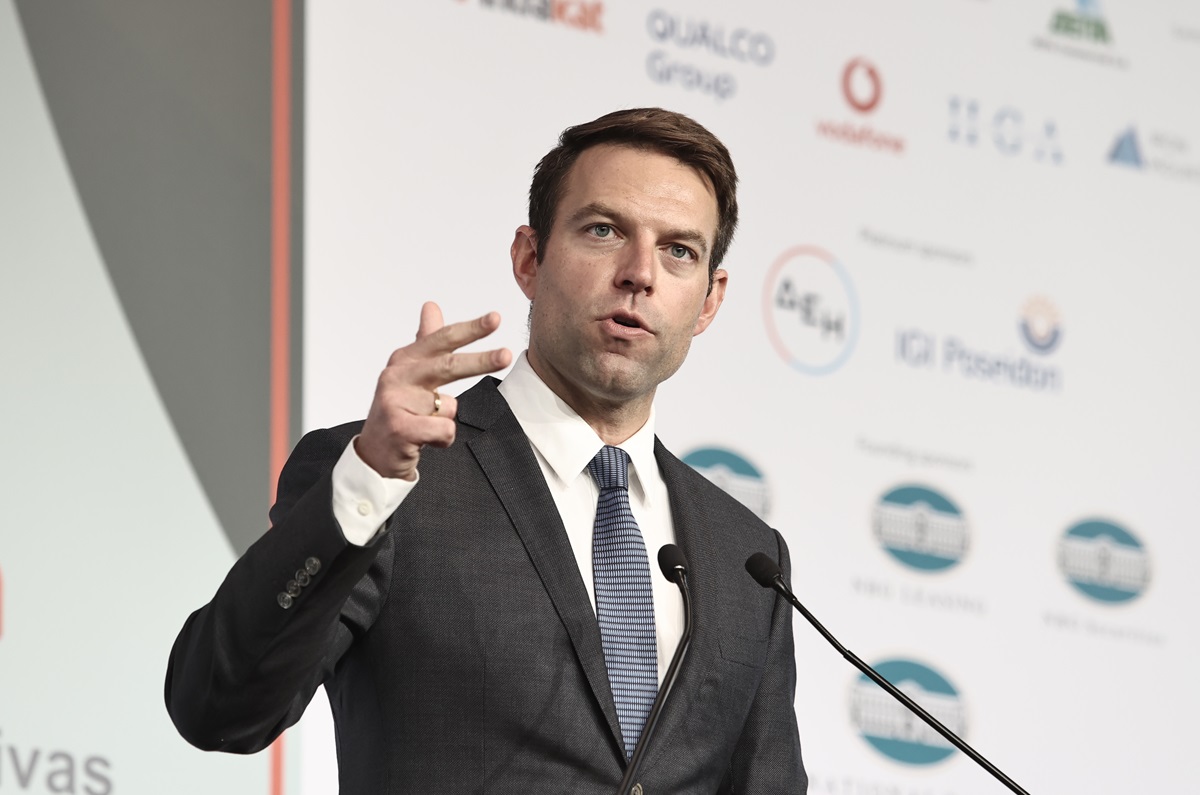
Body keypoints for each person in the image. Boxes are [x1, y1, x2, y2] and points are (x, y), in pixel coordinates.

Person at [166, 107, 807, 793]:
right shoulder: (395, 476)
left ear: (709, 301)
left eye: (679, 250)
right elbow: (218, 706)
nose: (639, 273)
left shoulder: (747, 556)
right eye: (603, 230)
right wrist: (368, 481)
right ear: (529, 259)